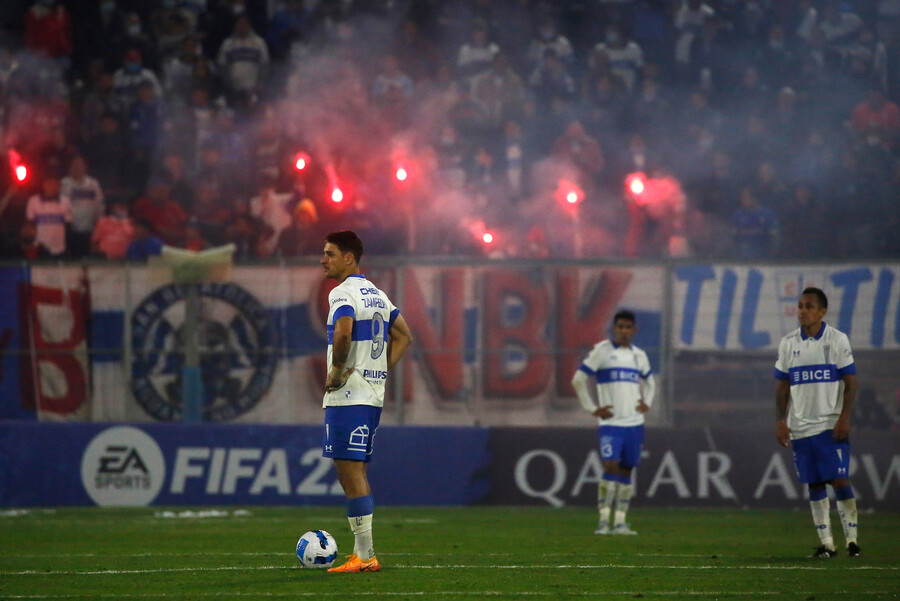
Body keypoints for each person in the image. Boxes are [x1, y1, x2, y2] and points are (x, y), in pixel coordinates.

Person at [320, 230, 413, 573]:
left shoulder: (342, 293)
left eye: (330, 253)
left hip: (348, 395)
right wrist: (379, 368)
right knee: (352, 473)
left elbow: (343, 332)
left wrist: (337, 372)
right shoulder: (376, 294)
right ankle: (363, 553)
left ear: (349, 258)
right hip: (371, 394)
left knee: (350, 473)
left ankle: (365, 555)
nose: (323, 260)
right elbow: (404, 335)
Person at [774, 287, 861, 559]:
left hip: (829, 423)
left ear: (822, 311)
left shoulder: (836, 340)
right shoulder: (788, 343)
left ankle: (852, 542)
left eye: (809, 306)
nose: (803, 310)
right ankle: (827, 545)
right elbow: (782, 386)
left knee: (839, 478)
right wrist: (780, 420)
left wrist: (844, 417)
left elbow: (851, 381)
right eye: (800, 305)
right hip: (800, 426)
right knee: (814, 483)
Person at [571, 309, 655, 535]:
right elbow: (578, 380)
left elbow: (650, 382)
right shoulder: (602, 352)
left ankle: (620, 522)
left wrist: (647, 402)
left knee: (627, 470)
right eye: (620, 327)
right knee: (610, 464)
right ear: (614, 328)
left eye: (628, 327)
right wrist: (592, 408)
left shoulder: (639, 355)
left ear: (634, 330)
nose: (624, 331)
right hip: (611, 423)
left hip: (635, 423)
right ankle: (602, 521)